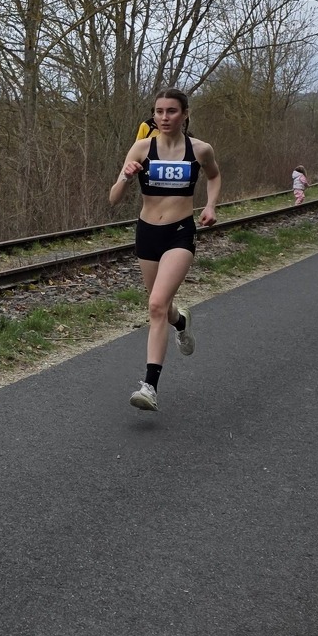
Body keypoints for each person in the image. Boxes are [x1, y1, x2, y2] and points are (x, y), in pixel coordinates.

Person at [109, 87, 221, 414]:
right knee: (165, 309)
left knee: (156, 305)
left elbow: (214, 176)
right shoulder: (142, 148)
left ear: (185, 114)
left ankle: (149, 387)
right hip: (147, 233)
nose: (164, 117)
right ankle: (181, 322)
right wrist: (126, 177)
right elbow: (113, 199)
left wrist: (210, 205)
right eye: (159, 111)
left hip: (179, 233)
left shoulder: (200, 150)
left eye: (171, 111)